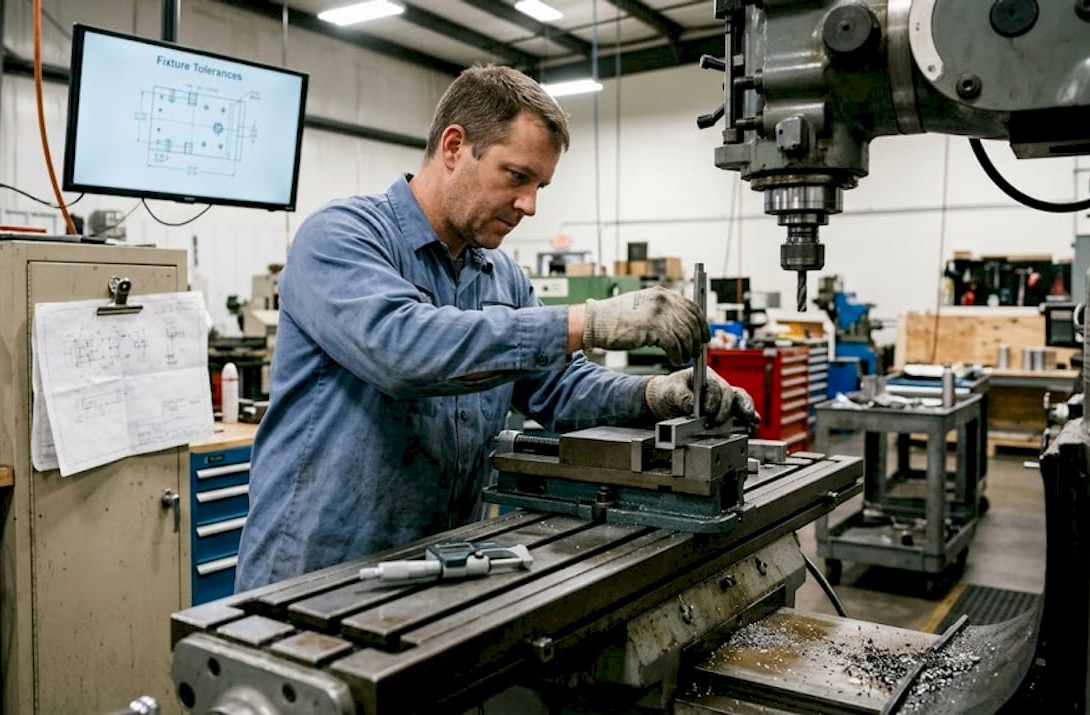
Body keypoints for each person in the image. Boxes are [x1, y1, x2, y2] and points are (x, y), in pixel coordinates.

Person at [235, 65, 757, 591]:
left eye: (540, 185)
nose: (530, 205)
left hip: (437, 571)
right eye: (517, 176)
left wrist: (654, 395)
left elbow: (558, 386)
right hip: (313, 577)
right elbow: (403, 349)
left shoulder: (501, 275)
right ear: (454, 147)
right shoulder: (341, 236)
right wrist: (590, 320)